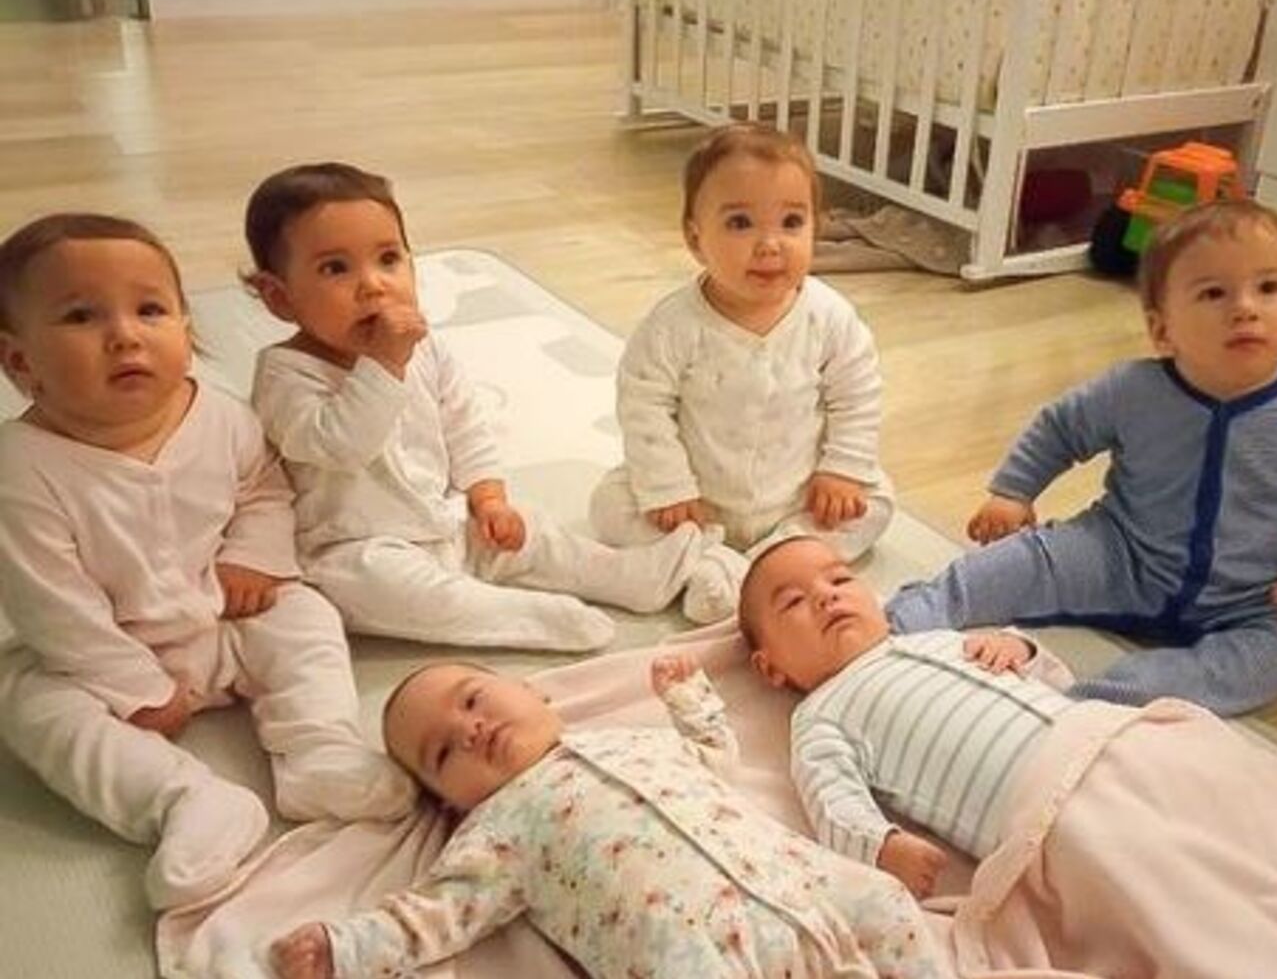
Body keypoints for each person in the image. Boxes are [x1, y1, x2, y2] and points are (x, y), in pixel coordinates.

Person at [741, 536, 1277, 978]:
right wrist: (882, 845)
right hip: (1049, 810)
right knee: (1173, 888)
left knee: (1241, 821)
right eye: (794, 602)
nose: (828, 597)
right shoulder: (822, 713)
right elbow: (831, 802)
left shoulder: (930, 638)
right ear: (773, 668)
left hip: (1109, 739)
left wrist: (1017, 648)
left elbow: (1053, 678)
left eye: (839, 578)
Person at [0, 214, 413, 909]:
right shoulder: (21, 469)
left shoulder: (220, 415)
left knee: (306, 614)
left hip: (224, 615)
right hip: (104, 652)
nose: (125, 335)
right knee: (32, 707)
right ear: (19, 362)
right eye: (80, 316)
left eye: (150, 310)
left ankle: (318, 753)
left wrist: (253, 557)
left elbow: (263, 490)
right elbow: (53, 606)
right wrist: (134, 685)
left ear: (187, 328)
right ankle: (187, 800)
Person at [886, 200, 1277, 714]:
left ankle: (1119, 691)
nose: (1246, 308)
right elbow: (1061, 427)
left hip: (1247, 598)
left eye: (1269, 287)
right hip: (1118, 555)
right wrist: (1014, 491)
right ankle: (899, 621)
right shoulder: (1132, 390)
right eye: (1214, 293)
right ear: (1162, 330)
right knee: (1017, 563)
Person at [244, 163, 726, 652]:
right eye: (335, 269)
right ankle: (528, 618)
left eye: (388, 259)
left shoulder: (424, 349)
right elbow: (341, 445)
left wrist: (488, 497)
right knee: (402, 594)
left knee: (534, 534)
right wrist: (384, 363)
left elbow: (464, 424)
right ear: (279, 298)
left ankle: (625, 576)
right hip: (356, 546)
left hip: (445, 518)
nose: (373, 285)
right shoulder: (285, 375)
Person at [268, 656, 953, 979]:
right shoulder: (496, 832)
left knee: (883, 899)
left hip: (797, 885)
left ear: (532, 693)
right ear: (451, 800)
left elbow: (714, 757)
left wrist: (688, 698)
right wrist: (343, 947)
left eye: (474, 700)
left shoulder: (632, 741)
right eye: (444, 751)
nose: (470, 729)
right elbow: (434, 915)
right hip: (695, 951)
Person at [589, 123, 895, 618]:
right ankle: (712, 559)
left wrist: (842, 470)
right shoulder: (673, 325)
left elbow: (858, 394)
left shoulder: (829, 317)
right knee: (610, 505)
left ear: (816, 227)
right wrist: (668, 487)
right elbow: (642, 405)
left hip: (797, 496)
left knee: (877, 499)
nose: (770, 244)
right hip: (697, 502)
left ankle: (763, 559)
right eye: (739, 223)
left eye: (792, 222)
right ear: (695, 238)